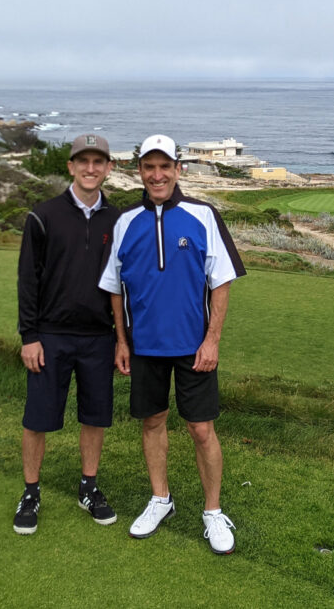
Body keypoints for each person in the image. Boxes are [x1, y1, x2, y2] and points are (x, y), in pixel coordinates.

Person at [98, 134, 246, 554]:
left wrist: (212, 340)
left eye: (165, 166)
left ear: (179, 169)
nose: (157, 174)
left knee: (201, 429)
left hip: (193, 347)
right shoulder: (125, 221)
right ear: (139, 171)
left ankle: (213, 511)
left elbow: (221, 282)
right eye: (149, 167)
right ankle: (161, 499)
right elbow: (114, 287)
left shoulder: (202, 215)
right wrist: (121, 342)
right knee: (152, 422)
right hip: (144, 347)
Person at [13, 133, 121, 535]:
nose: (91, 169)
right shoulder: (43, 215)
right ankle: (30, 492)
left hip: (98, 337)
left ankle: (88, 487)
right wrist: (29, 336)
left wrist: (121, 341)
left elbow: (124, 284)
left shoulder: (119, 220)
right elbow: (28, 281)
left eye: (99, 162)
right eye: (83, 161)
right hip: (51, 336)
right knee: (37, 419)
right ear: (70, 167)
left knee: (95, 418)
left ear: (109, 168)